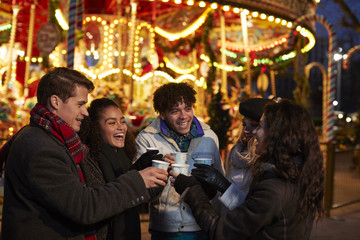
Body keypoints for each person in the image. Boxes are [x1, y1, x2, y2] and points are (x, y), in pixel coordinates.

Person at [0, 67, 168, 239]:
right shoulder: (41, 147)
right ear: (55, 102)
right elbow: (83, 207)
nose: (85, 112)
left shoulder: (53, 138)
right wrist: (137, 181)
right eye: (80, 104)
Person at [172, 99, 325, 239]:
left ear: (277, 136)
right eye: (246, 124)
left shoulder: (275, 187)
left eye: (260, 126)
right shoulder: (292, 173)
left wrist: (192, 189)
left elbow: (222, 231)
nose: (254, 132)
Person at [135, 82, 224, 240]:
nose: (184, 116)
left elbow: (219, 183)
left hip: (204, 225)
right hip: (167, 228)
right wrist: (157, 170)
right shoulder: (147, 138)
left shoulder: (209, 136)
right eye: (175, 111)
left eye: (188, 108)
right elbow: (139, 191)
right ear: (162, 114)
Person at [78, 98, 164, 240]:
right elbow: (104, 199)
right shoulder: (90, 158)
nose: (121, 127)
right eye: (112, 123)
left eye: (122, 121)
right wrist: (137, 176)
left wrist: (142, 167)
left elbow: (128, 189)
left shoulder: (123, 154)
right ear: (95, 128)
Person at [192, 98, 272, 211]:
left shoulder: (267, 161)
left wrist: (224, 186)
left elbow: (253, 211)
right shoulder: (237, 153)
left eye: (254, 125)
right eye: (244, 124)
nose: (247, 130)